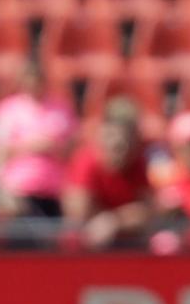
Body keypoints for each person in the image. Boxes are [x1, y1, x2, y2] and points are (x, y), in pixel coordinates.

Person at [0, 59, 73, 219]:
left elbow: (70, 148)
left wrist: (52, 147)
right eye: (28, 78)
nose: (32, 83)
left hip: (54, 190)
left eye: (36, 78)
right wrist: (35, 146)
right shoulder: (6, 110)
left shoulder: (61, 108)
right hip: (18, 190)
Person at [64, 98, 155, 248]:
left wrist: (113, 221)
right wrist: (124, 216)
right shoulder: (86, 160)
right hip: (87, 246)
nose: (119, 146)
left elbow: (146, 211)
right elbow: (78, 210)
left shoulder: (138, 161)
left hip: (128, 245)